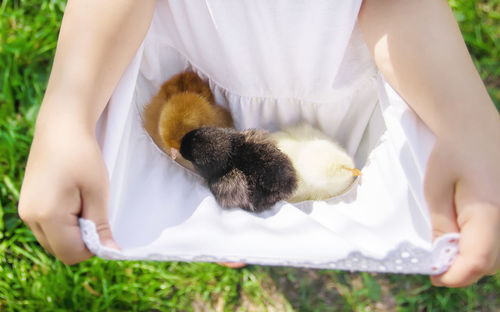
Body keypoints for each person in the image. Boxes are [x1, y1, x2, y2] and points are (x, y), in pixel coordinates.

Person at [18, 0, 500, 288]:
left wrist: (467, 120)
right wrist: (68, 111)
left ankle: (250, 220)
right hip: (203, 53)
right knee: (217, 157)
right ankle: (236, 227)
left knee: (288, 159)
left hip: (327, 66)